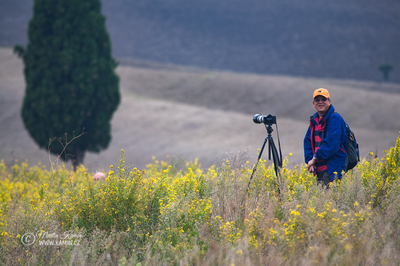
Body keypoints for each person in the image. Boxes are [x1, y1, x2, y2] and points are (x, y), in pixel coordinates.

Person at [303, 88, 347, 187]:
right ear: (313, 103)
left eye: (323, 99)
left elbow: (331, 145)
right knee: (322, 200)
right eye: (317, 100)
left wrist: (314, 159)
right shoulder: (315, 120)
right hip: (319, 170)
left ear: (329, 102)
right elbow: (307, 141)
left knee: (330, 201)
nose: (320, 102)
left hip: (333, 170)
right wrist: (310, 161)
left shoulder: (335, 119)